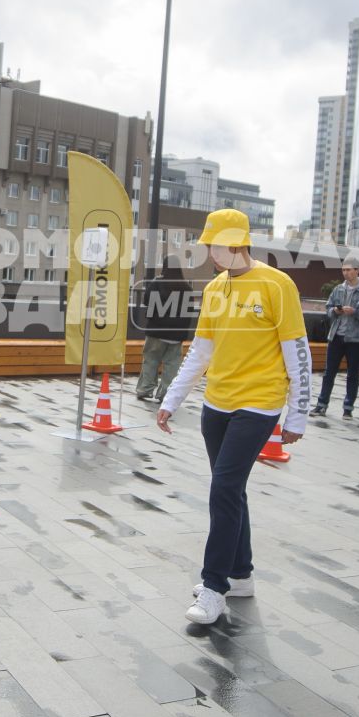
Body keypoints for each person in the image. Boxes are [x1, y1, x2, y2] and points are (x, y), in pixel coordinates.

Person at [159, 209, 310, 626]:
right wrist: (172, 398)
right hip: (217, 403)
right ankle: (240, 575)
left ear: (236, 242)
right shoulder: (213, 289)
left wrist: (297, 416)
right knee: (231, 489)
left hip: (259, 403)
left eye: (213, 244)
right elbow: (200, 351)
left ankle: (213, 587)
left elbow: (298, 352)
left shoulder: (278, 285)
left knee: (223, 488)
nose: (208, 251)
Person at [312, 261, 359, 418]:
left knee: (353, 374)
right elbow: (328, 309)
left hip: (356, 339)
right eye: (343, 270)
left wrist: (355, 312)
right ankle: (321, 405)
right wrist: (335, 311)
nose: (345, 273)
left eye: (349, 270)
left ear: (357, 271)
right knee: (329, 372)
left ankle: (348, 408)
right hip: (336, 336)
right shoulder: (338, 289)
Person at [133, 265, 196, 402]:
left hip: (156, 332)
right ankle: (165, 394)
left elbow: (146, 300)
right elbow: (189, 312)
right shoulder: (186, 288)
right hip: (175, 335)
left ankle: (145, 389)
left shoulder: (158, 283)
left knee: (151, 360)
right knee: (172, 365)